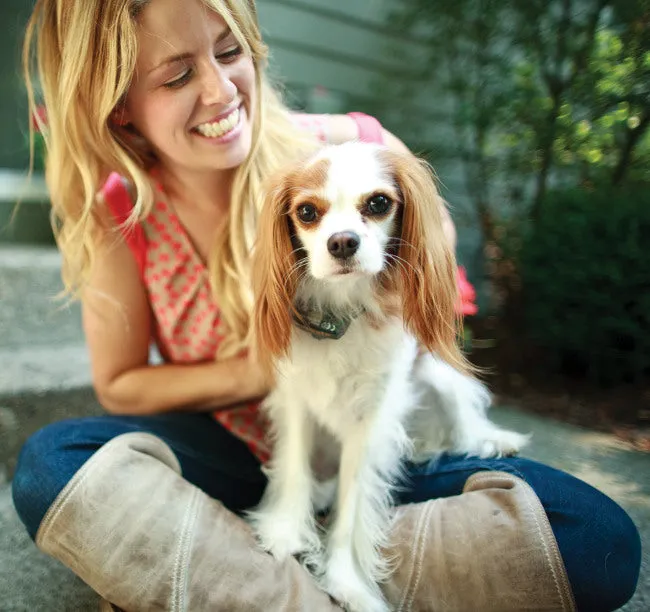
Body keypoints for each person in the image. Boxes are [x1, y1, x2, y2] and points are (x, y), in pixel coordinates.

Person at [13, 1, 640, 610]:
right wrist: (272, 366)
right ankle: (316, 589)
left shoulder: (347, 151)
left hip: (376, 446)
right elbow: (121, 386)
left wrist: (395, 290)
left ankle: (244, 569)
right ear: (122, 110)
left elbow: (433, 253)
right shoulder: (122, 212)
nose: (220, 90)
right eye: (177, 75)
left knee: (594, 538)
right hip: (233, 449)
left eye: (231, 52)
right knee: (52, 466)